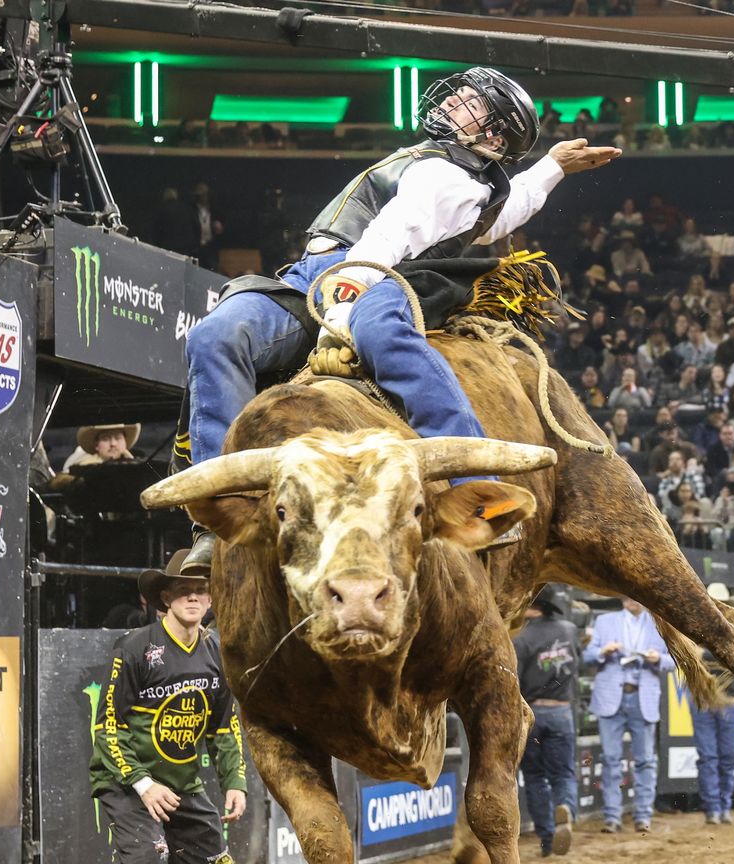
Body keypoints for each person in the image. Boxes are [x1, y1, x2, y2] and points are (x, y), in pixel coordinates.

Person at [179, 69, 618, 571]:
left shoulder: (447, 175)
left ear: (492, 136)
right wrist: (552, 167)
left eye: (471, 102)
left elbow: (389, 234)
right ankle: (220, 510)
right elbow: (500, 216)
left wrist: (341, 303)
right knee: (214, 334)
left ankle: (473, 489)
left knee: (380, 333)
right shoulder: (461, 178)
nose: (455, 100)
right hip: (309, 276)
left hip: (372, 273)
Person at [84, 549, 248, 864]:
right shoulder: (137, 647)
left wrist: (235, 780)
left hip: (182, 782)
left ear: (212, 597)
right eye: (184, 588)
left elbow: (223, 725)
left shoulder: (217, 649)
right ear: (165, 597)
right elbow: (107, 727)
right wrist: (141, 784)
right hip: (127, 780)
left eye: (202, 588)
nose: (194, 595)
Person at [583, 595, 669, 834]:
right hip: (611, 698)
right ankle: (612, 817)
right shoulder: (605, 621)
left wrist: (657, 658)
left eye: (638, 595)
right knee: (611, 760)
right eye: (629, 595)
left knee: (645, 761)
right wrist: (604, 651)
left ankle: (643, 816)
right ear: (622, 597)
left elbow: (673, 660)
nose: (634, 600)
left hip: (644, 697)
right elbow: (587, 656)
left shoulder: (658, 623)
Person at [514, 585, 579, 858]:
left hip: (533, 714)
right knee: (563, 773)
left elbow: (514, 679)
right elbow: (578, 663)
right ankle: (565, 807)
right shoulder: (569, 630)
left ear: (532, 607)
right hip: (562, 710)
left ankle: (546, 836)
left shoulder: (521, 637)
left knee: (535, 776)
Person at [690, 583, 734, 826]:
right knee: (711, 756)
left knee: (725, 755)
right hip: (709, 698)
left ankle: (719, 806)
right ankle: (716, 807)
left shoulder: (733, 627)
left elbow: (699, 655)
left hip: (725, 697)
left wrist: (703, 655)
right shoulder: (693, 626)